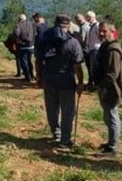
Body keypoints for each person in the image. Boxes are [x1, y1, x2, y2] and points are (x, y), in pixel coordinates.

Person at [37, 14, 85, 148]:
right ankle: (65, 139)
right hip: (66, 82)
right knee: (67, 112)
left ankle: (56, 132)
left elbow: (39, 60)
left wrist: (39, 76)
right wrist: (80, 83)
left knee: (51, 109)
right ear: (68, 26)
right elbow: (78, 66)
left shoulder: (45, 39)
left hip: (49, 80)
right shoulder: (72, 42)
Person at [94, 20, 122, 156]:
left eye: (104, 31)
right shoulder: (105, 46)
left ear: (112, 32)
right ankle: (111, 142)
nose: (101, 33)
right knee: (108, 117)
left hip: (111, 89)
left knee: (112, 117)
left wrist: (102, 86)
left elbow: (112, 74)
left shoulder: (113, 50)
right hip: (105, 87)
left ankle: (113, 148)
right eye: (100, 31)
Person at [14, 14, 36, 83]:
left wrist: (17, 41)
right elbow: (35, 33)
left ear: (19, 19)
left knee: (24, 62)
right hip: (31, 46)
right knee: (29, 61)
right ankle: (32, 75)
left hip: (23, 46)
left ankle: (28, 77)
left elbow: (16, 34)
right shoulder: (31, 24)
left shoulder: (19, 25)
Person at [85, 11, 101, 89]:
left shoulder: (97, 25)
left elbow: (101, 36)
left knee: (95, 68)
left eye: (89, 17)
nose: (88, 18)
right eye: (87, 17)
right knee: (91, 68)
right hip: (91, 49)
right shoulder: (91, 26)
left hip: (96, 49)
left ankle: (97, 85)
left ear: (94, 17)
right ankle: (93, 84)